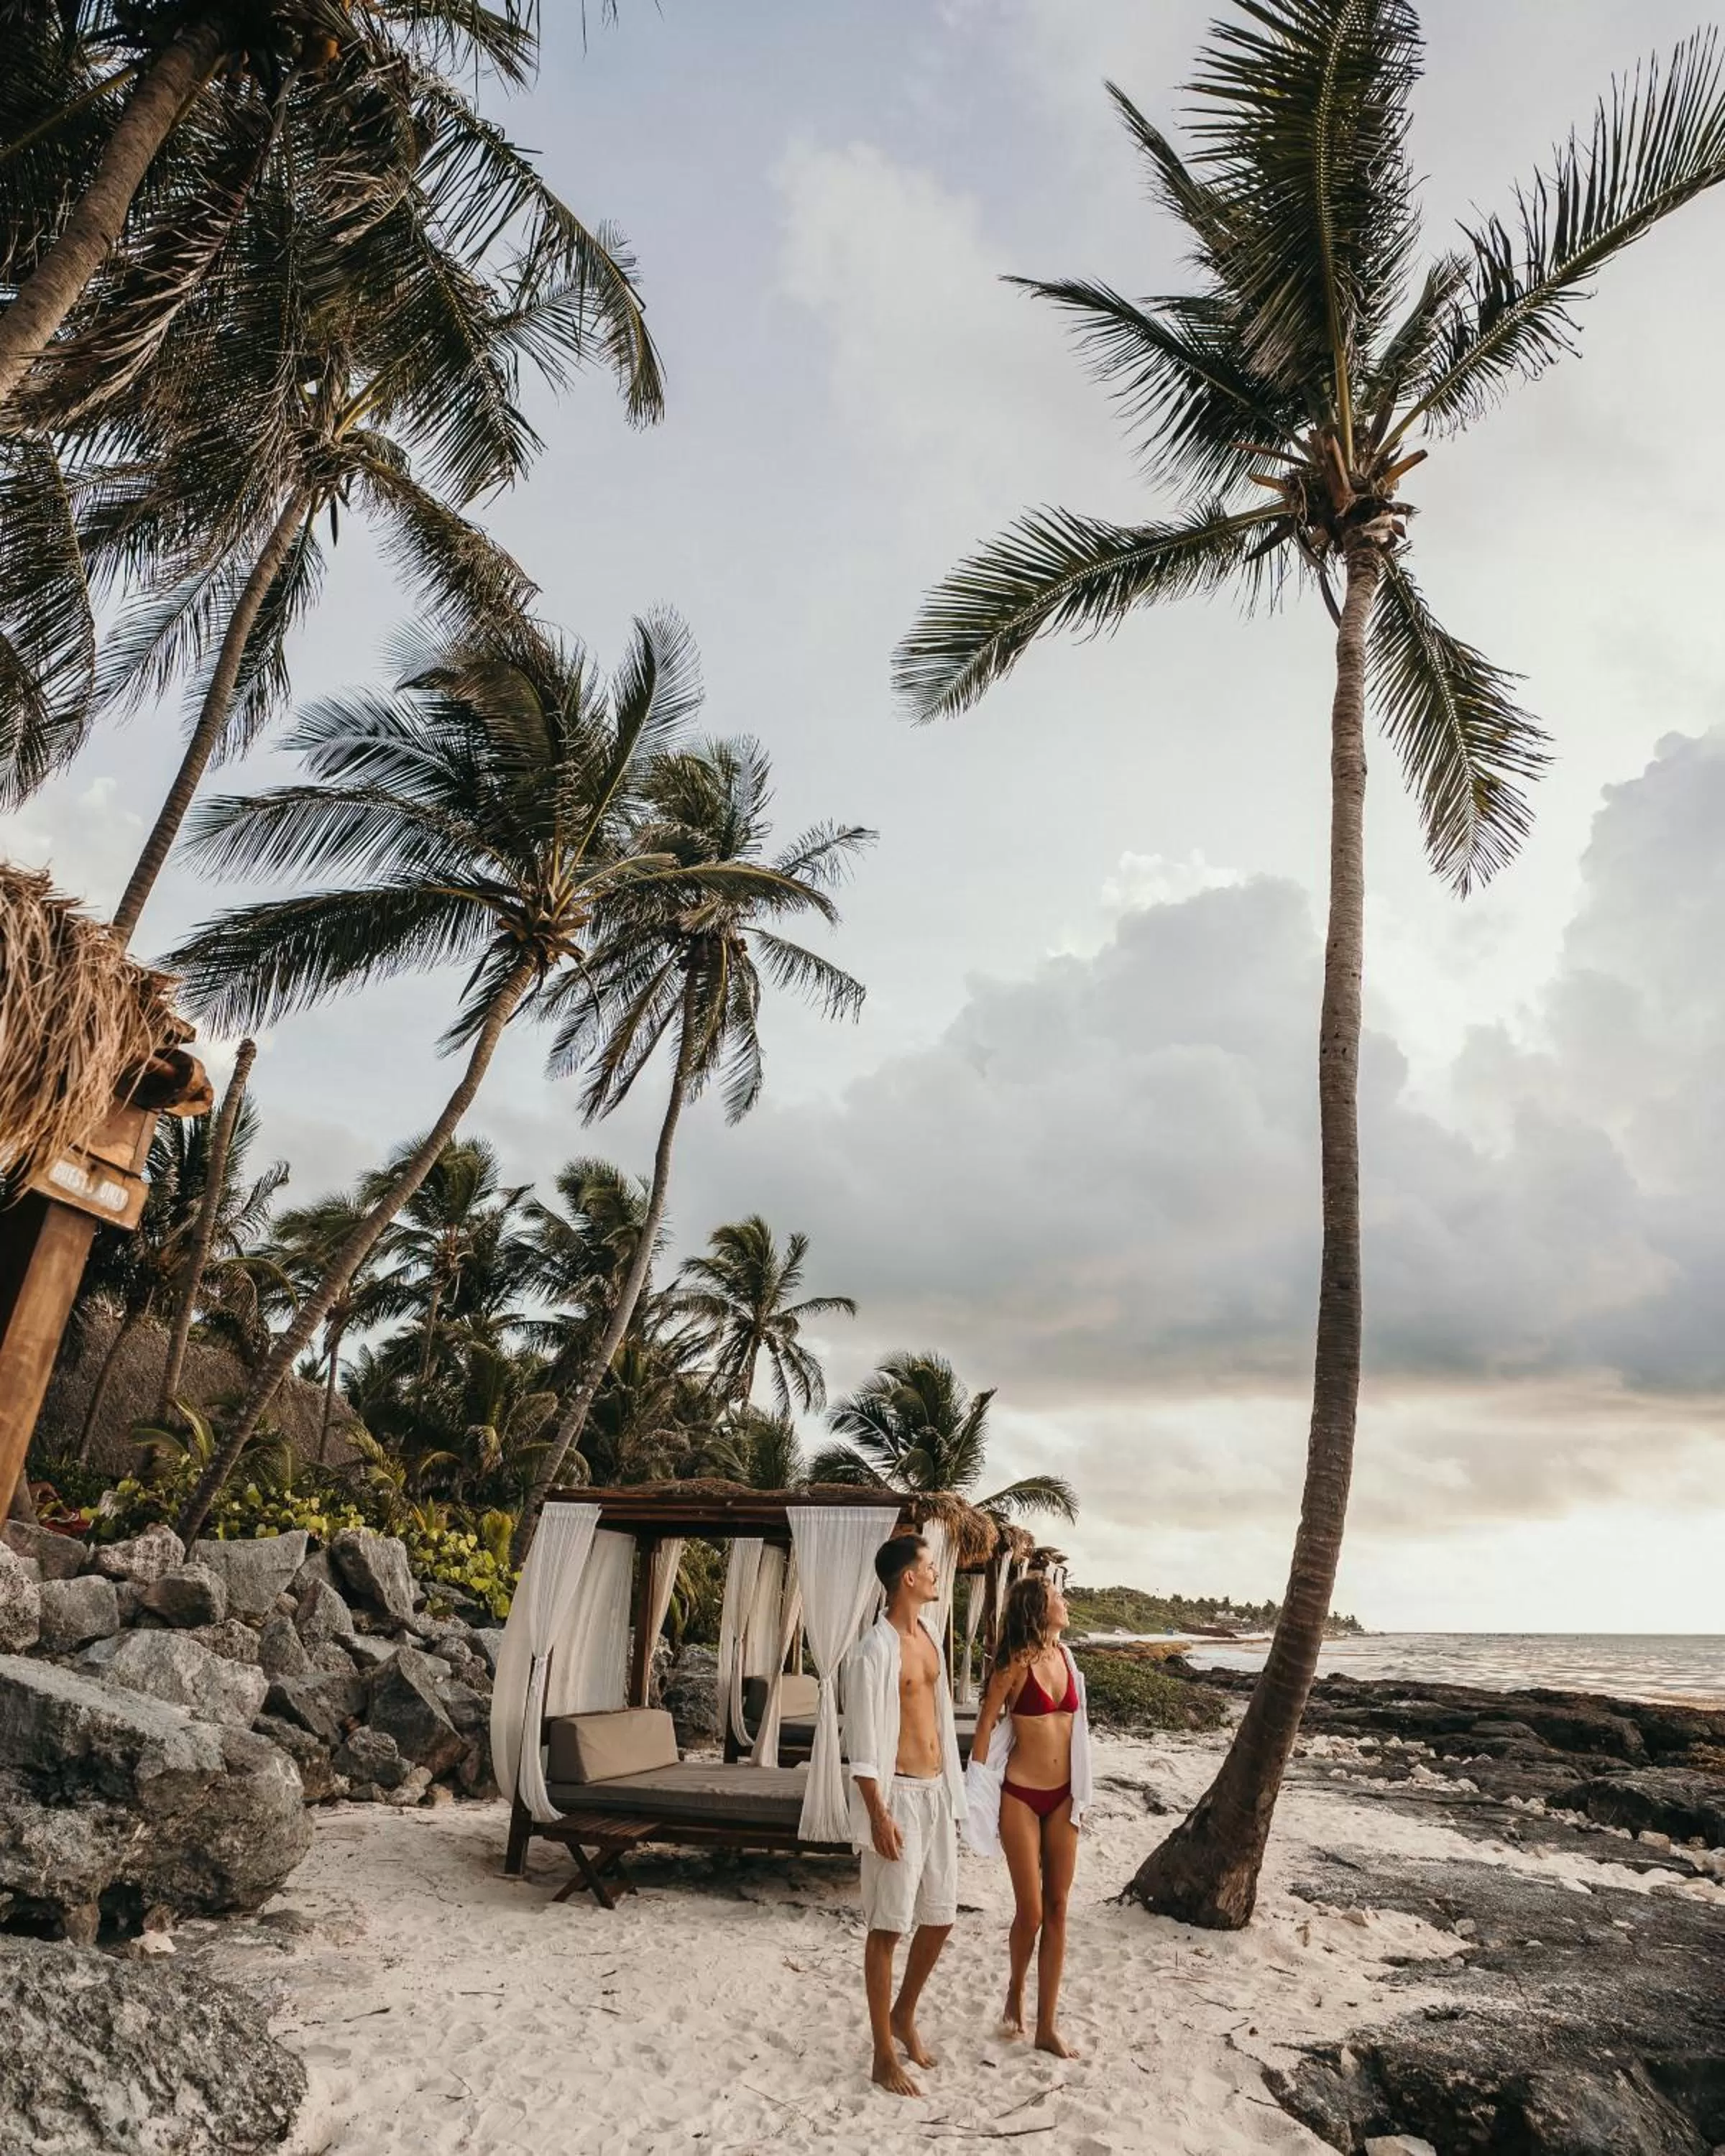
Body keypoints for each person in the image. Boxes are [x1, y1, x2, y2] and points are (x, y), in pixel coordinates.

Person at [840, 1531, 967, 2097]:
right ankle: (882, 2054)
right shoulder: (875, 1650)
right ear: (908, 1579)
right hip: (899, 1801)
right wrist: (878, 1814)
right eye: (931, 1566)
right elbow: (863, 1745)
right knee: (888, 1927)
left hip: (937, 1794)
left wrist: (957, 1794)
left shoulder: (930, 1637)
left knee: (940, 1918)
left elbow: (935, 1719)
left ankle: (903, 2014)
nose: (938, 1573)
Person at [965, 1573, 1093, 2058]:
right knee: (1033, 1911)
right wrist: (973, 1795)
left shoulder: (1067, 1657)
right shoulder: (1014, 1665)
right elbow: (984, 1728)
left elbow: (1077, 1731)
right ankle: (1016, 1986)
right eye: (1058, 1597)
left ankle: (1047, 2025)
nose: (1065, 1602)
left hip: (1063, 1797)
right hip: (1020, 1796)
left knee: (1058, 1908)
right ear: (1038, 1608)